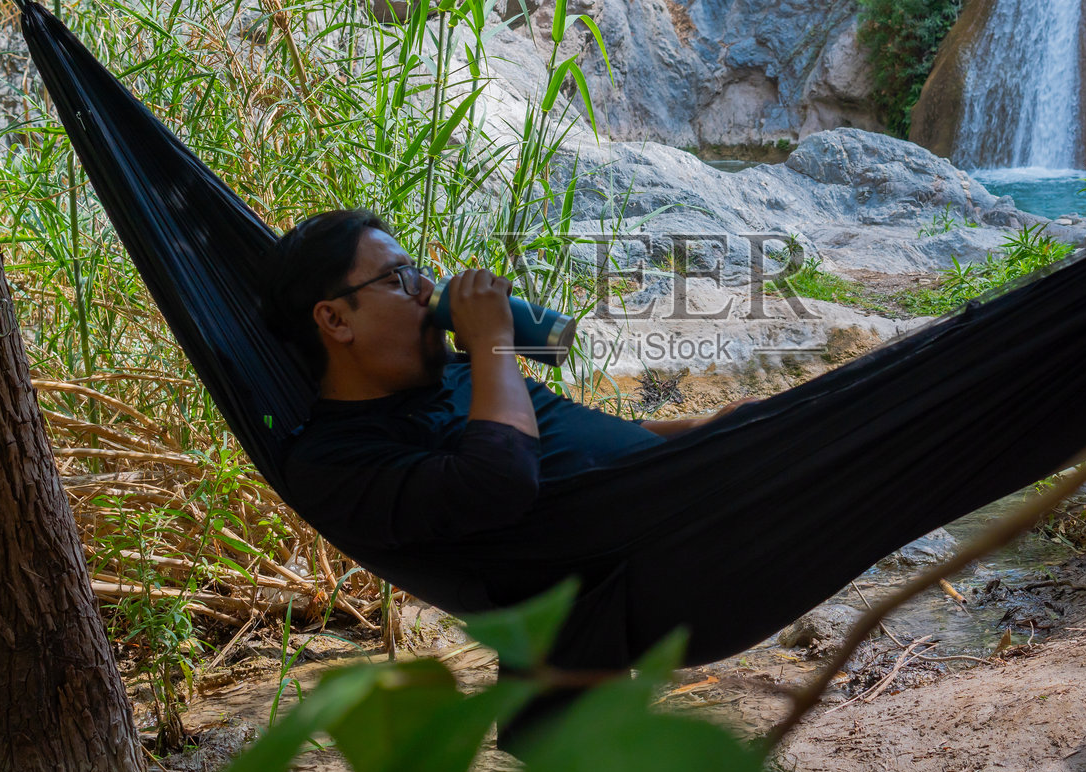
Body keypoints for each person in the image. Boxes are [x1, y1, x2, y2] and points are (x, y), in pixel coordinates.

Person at [262, 209, 755, 564]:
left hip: (699, 490)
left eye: (420, 273)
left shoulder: (459, 371)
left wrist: (704, 428)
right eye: (400, 278)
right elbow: (500, 482)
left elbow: (578, 438)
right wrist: (493, 341)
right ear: (334, 319)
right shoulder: (333, 459)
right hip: (664, 549)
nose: (428, 290)